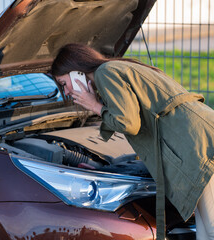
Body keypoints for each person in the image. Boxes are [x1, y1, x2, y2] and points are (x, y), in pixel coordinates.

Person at [51, 43, 214, 240]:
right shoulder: (114, 68)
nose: (65, 92)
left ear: (76, 72)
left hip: (198, 145)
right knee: (205, 228)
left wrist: (95, 106)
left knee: (211, 226)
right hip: (196, 139)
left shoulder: (105, 73)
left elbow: (128, 123)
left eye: (62, 84)